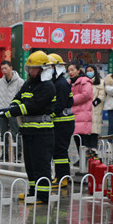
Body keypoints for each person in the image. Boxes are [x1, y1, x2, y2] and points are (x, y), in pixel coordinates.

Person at [0, 51, 55, 204]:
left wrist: (12, 111)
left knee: (41, 165)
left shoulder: (48, 86)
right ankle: (33, 192)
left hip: (42, 132)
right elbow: (18, 98)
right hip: (29, 131)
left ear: (42, 69)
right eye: (28, 68)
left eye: (33, 68)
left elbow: (33, 106)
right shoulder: (29, 83)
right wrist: (9, 108)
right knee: (30, 164)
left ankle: (43, 197)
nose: (30, 71)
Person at [48, 54, 74, 187]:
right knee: (58, 150)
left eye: (50, 67)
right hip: (59, 122)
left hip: (63, 122)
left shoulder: (61, 83)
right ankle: (60, 175)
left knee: (60, 150)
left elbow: (59, 105)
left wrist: (47, 114)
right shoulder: (55, 82)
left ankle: (62, 178)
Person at [0, 60, 24, 162]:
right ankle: (4, 155)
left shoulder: (20, 82)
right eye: (2, 69)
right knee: (3, 134)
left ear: (11, 68)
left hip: (14, 112)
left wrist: (14, 108)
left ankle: (18, 155)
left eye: (6, 68)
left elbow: (22, 98)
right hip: (2, 112)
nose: (4, 70)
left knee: (16, 134)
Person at [69, 63, 93, 157]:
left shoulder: (85, 81)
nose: (70, 72)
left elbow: (86, 95)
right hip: (75, 114)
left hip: (83, 114)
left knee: (83, 139)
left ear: (78, 70)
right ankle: (81, 159)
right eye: (69, 70)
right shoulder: (70, 82)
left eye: (72, 70)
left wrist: (70, 100)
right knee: (77, 138)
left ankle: (85, 161)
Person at [85, 65, 106, 151]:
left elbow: (102, 95)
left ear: (95, 71)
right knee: (86, 130)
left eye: (91, 70)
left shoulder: (100, 82)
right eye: (88, 71)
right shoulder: (84, 81)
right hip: (85, 109)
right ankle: (86, 149)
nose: (89, 72)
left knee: (95, 129)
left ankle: (94, 148)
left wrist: (93, 103)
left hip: (95, 109)